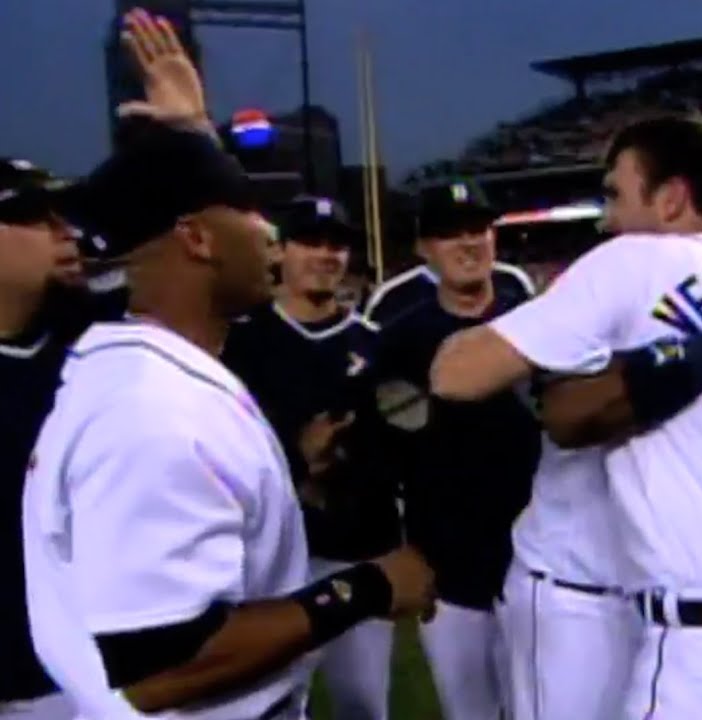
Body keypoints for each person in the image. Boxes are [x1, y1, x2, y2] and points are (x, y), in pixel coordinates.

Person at [430, 116, 702, 719]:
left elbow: (454, 372)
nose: (606, 219)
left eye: (615, 195)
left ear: (671, 199)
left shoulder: (636, 260)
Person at [21, 124, 434, 720]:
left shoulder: (152, 373)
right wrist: (365, 588)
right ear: (196, 237)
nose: (269, 233)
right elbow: (160, 666)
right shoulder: (150, 409)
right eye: (248, 211)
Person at [365, 179, 541, 720]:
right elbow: (380, 455)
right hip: (448, 562)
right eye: (449, 234)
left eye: (478, 230)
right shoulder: (399, 339)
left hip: (539, 559)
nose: (468, 245)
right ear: (425, 249)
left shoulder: (533, 322)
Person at [221, 196, 401, 720]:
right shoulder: (243, 341)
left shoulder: (374, 343)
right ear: (281, 251)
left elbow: (395, 448)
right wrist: (299, 460)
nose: (326, 255)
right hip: (268, 557)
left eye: (337, 245)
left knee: (364, 706)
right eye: (311, 242)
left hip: (357, 547)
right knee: (269, 705)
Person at [0, 158, 88, 720]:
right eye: (35, 218)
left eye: (63, 217)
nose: (66, 234)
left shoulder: (95, 344)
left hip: (77, 676)